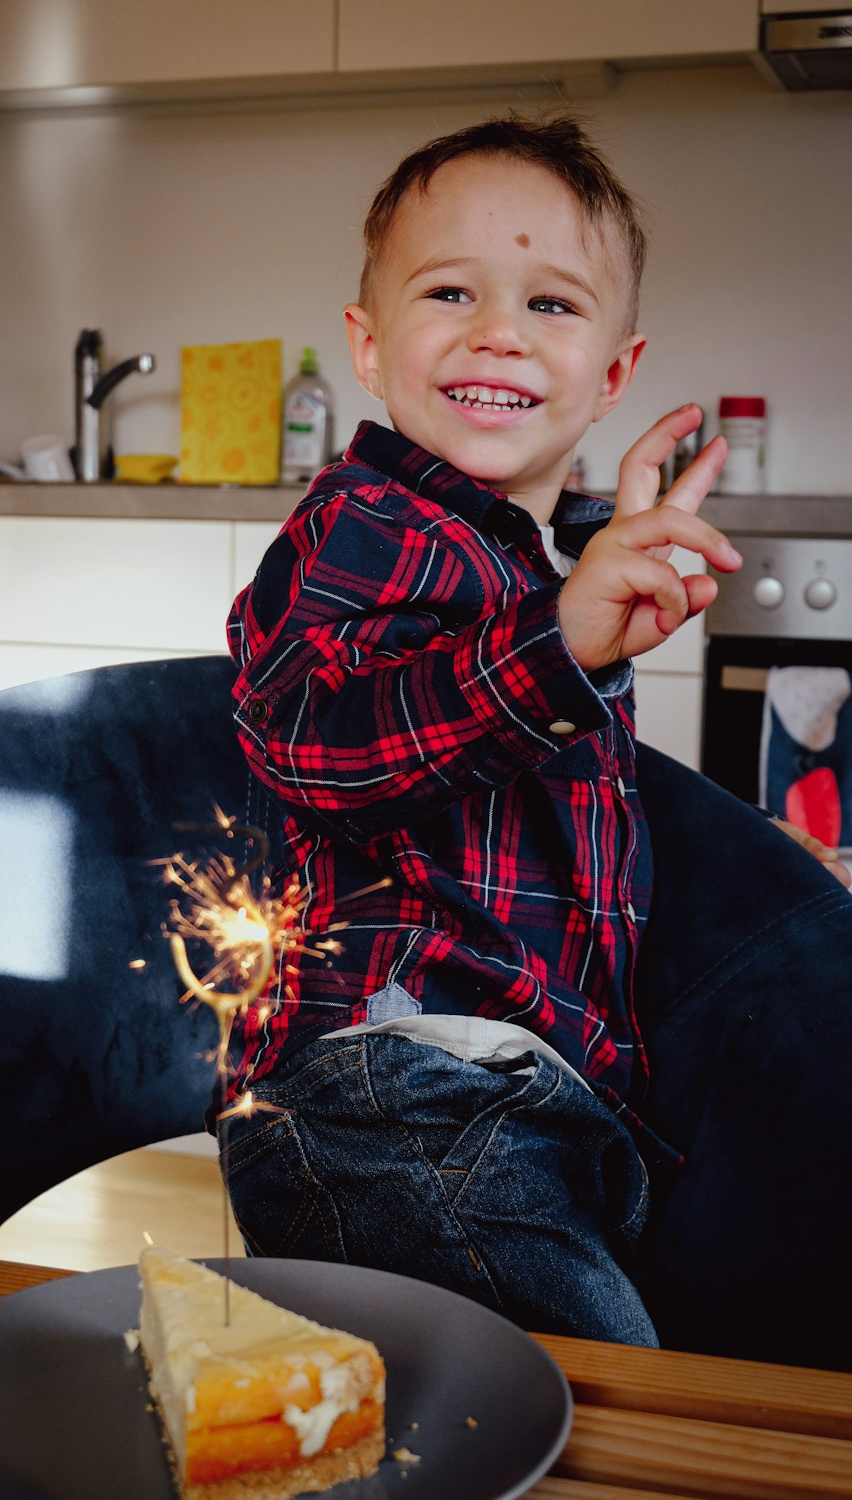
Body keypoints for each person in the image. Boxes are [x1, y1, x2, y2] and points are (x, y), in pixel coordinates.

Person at [219, 114, 852, 1360]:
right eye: (450, 290)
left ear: (613, 375)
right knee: (584, 1408)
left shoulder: (536, 568)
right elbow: (307, 741)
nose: (499, 330)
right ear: (367, 342)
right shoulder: (366, 524)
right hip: (391, 1088)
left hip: (533, 1099)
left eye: (552, 305)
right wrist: (561, 636)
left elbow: (577, 827)